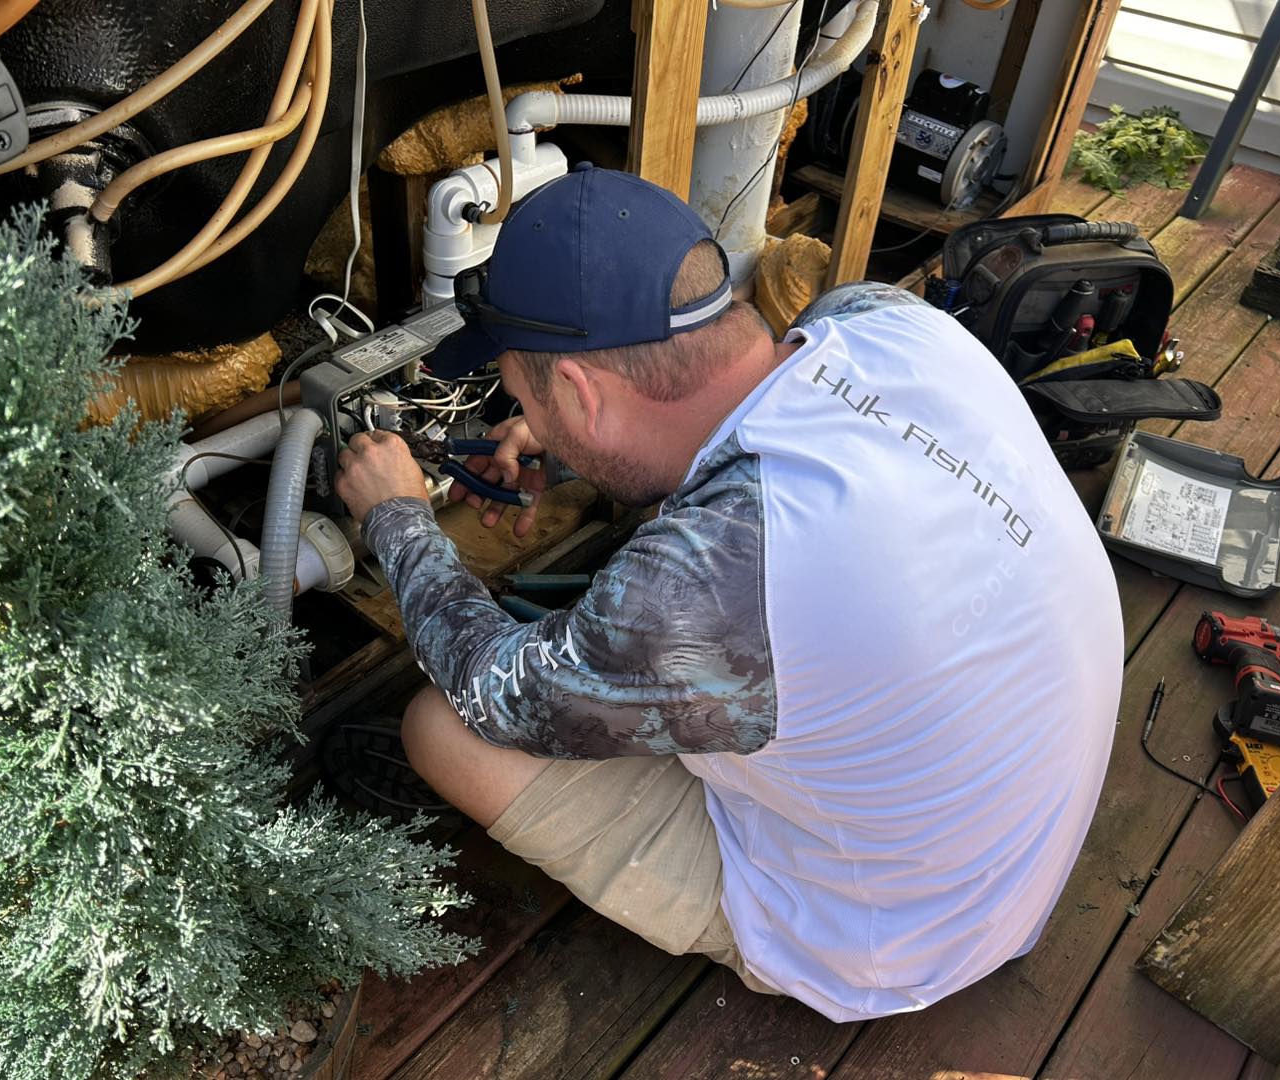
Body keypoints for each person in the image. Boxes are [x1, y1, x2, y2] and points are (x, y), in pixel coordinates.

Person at [333, 163, 1121, 1021]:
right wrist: (568, 440)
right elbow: (710, 421)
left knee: (441, 729)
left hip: (897, 938)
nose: (515, 413)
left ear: (585, 393)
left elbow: (493, 690)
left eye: (524, 397)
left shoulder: (701, 586)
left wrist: (399, 517)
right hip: (999, 845)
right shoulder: (889, 325)